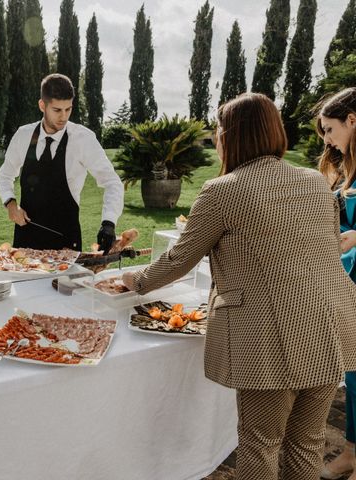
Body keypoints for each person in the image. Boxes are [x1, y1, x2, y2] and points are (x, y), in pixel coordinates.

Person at [122, 93, 356, 480]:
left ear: (231, 136)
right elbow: (328, 248)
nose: (215, 139)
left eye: (218, 131)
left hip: (270, 338)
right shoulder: (315, 180)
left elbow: (180, 259)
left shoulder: (223, 190)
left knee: (260, 443)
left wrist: (137, 280)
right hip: (332, 328)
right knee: (307, 443)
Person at [0, 73, 124, 251]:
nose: (63, 117)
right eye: (57, 110)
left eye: (68, 109)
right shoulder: (23, 135)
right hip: (24, 243)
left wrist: (108, 223)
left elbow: (112, 182)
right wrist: (10, 204)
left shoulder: (83, 139)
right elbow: (5, 175)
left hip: (66, 245)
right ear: (42, 105)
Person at [316, 87, 356, 480]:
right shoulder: (348, 166)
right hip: (348, 278)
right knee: (355, 373)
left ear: (352, 121)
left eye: (329, 130)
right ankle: (350, 453)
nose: (327, 140)